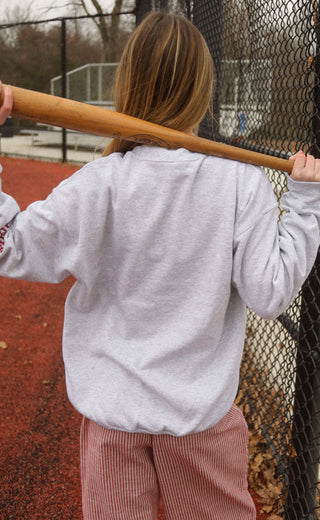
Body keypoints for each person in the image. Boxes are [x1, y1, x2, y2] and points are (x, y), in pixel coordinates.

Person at [0, 11, 320, 520]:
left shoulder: (98, 183)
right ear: (203, 91)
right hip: (200, 422)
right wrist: (305, 202)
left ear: (128, 85)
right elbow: (271, 294)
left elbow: (9, 245)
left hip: (112, 421)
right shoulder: (242, 184)